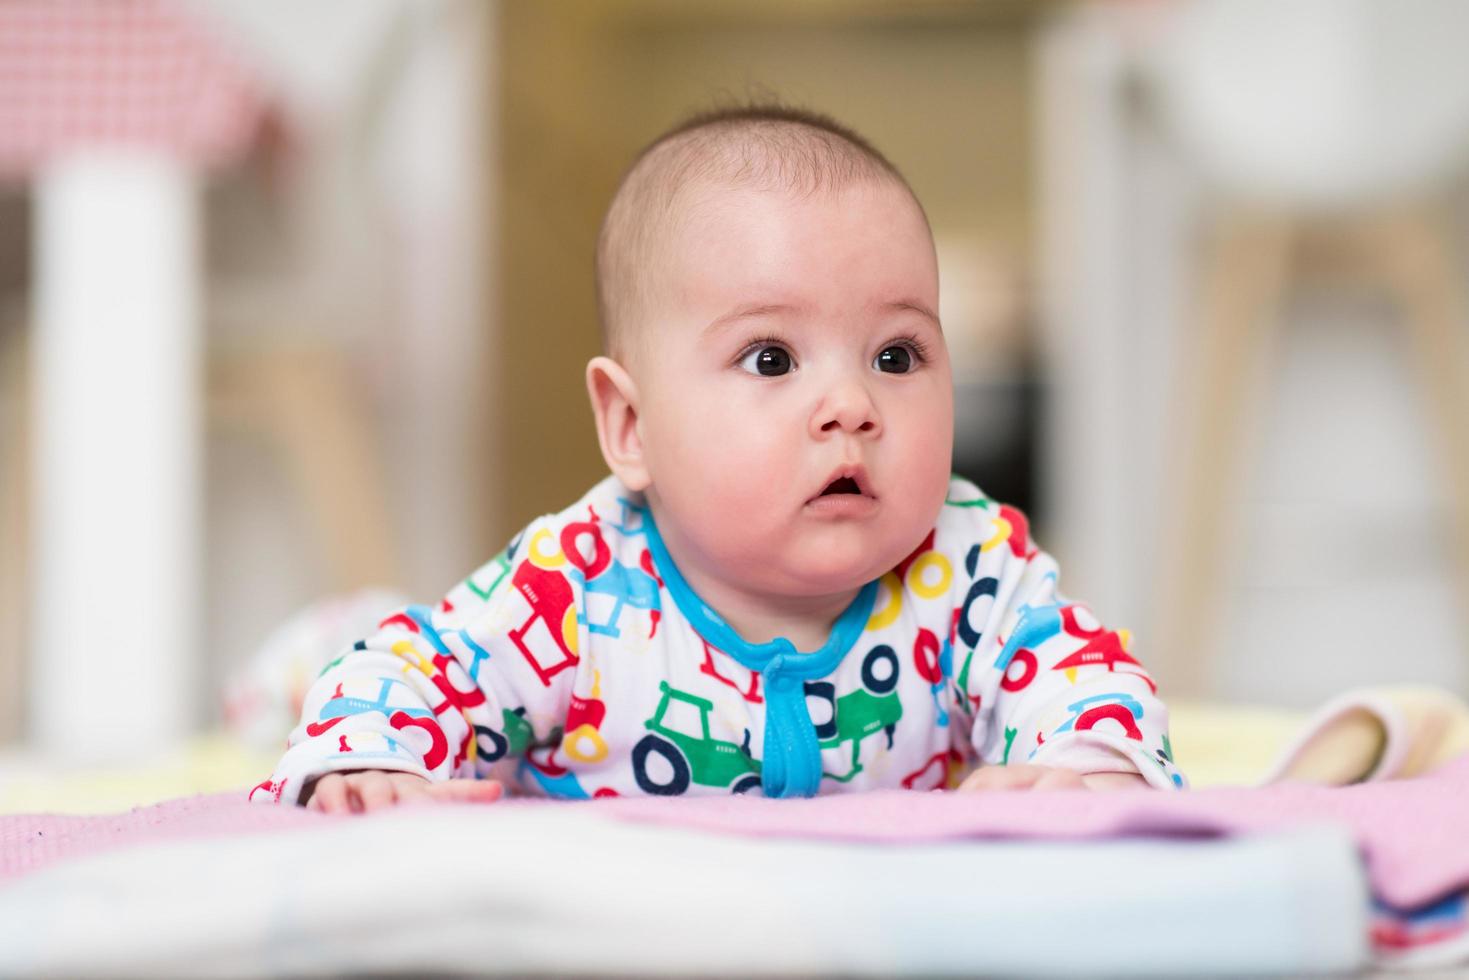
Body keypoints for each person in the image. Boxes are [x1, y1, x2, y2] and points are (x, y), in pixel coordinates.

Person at [254, 104, 1186, 813]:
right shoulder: (574, 588)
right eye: (771, 359)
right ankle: (304, 659)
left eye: (895, 356)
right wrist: (368, 755)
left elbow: (1079, 669)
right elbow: (429, 668)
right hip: (442, 683)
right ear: (631, 426)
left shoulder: (969, 568)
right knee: (362, 657)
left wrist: (1089, 761)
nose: (851, 407)